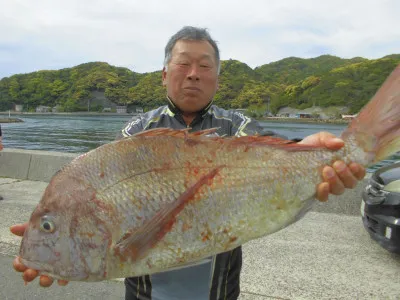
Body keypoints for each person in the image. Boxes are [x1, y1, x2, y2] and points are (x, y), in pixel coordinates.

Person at [11, 26, 366, 299]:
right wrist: (63, 247)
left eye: (204, 66)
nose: (193, 73)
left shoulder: (238, 127)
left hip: (220, 292)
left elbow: (278, 154)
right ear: (165, 74)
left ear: (216, 78)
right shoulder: (136, 133)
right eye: (183, 64)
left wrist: (312, 153)